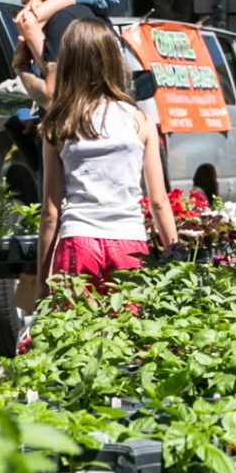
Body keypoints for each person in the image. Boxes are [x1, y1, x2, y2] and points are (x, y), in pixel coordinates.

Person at [36, 15, 177, 289]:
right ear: (114, 62)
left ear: (68, 64)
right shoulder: (139, 121)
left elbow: (51, 212)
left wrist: (42, 284)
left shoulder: (58, 125)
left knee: (74, 328)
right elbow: (158, 201)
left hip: (77, 241)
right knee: (129, 327)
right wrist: (176, 255)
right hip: (129, 243)